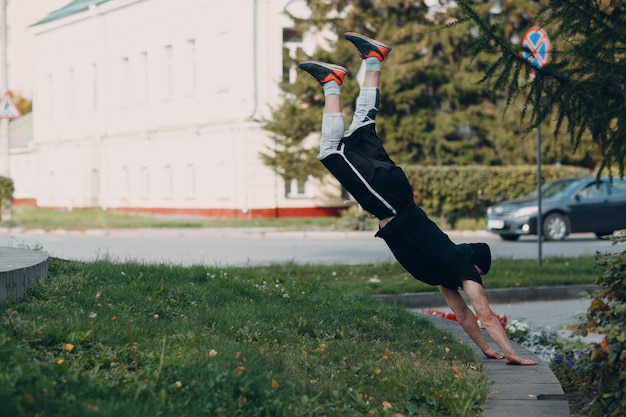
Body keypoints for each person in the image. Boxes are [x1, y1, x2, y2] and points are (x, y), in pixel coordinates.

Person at [299, 32, 537, 366]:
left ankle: (373, 58)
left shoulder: (445, 273)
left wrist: (486, 350)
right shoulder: (463, 266)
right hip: (389, 204)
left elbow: (465, 318)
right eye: (479, 276)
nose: (476, 284)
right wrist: (512, 354)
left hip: (394, 194)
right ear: (478, 265)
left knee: (362, 128)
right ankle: (332, 83)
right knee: (331, 151)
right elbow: (483, 313)